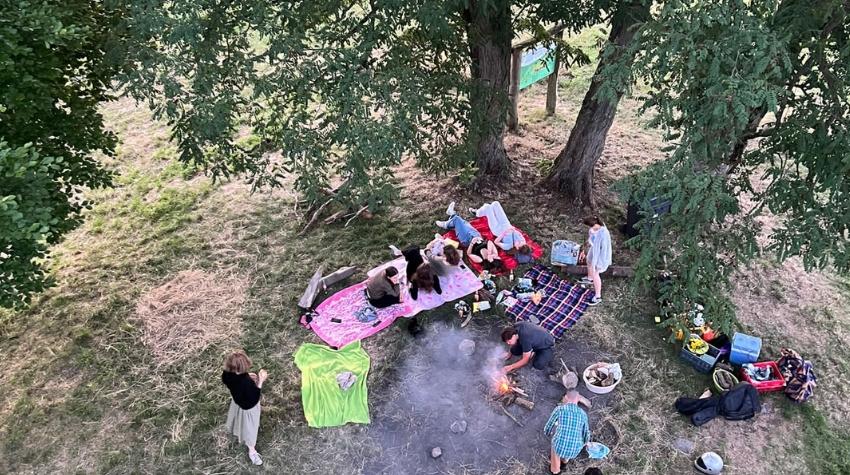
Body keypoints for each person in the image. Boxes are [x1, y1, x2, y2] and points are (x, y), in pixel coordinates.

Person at [222, 351, 268, 466]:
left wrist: (247, 376)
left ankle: (240, 430)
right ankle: (252, 451)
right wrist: (260, 381)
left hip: (238, 403)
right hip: (248, 408)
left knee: (239, 421)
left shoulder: (227, 374)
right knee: (250, 430)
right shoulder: (245, 384)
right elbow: (253, 398)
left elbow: (239, 381)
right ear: (240, 369)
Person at [544, 390, 591, 475]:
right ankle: (564, 462)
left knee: (554, 443)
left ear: (566, 397)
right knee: (572, 440)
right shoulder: (583, 414)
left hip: (560, 447)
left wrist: (547, 433)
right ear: (578, 400)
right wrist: (585, 443)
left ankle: (555, 470)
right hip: (575, 450)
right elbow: (586, 435)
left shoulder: (560, 409)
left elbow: (549, 426)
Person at [580, 215, 612, 306]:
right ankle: (590, 279)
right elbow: (590, 240)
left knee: (596, 273)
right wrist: (584, 250)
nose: (589, 228)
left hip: (601, 255)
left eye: (590, 226)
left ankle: (598, 296)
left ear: (596, 224)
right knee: (589, 261)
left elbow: (604, 249)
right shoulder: (593, 229)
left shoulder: (604, 233)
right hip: (594, 250)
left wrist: (598, 262)